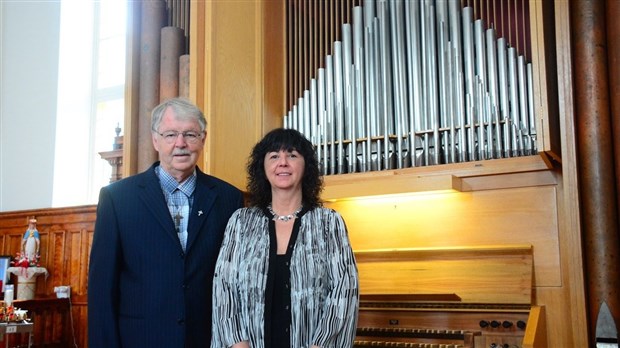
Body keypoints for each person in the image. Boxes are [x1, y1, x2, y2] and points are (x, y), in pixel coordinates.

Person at [88, 97, 244, 348]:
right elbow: (101, 291)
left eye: (190, 134)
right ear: (155, 140)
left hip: (207, 340)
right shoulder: (117, 199)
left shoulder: (229, 198)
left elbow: (236, 283)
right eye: (170, 134)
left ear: (203, 139)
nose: (180, 144)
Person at [211, 128, 359, 348]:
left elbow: (344, 290)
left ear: (306, 166)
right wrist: (238, 344)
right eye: (273, 156)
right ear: (262, 167)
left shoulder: (329, 223)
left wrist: (320, 345)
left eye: (292, 155)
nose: (283, 163)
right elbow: (224, 288)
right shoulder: (241, 222)